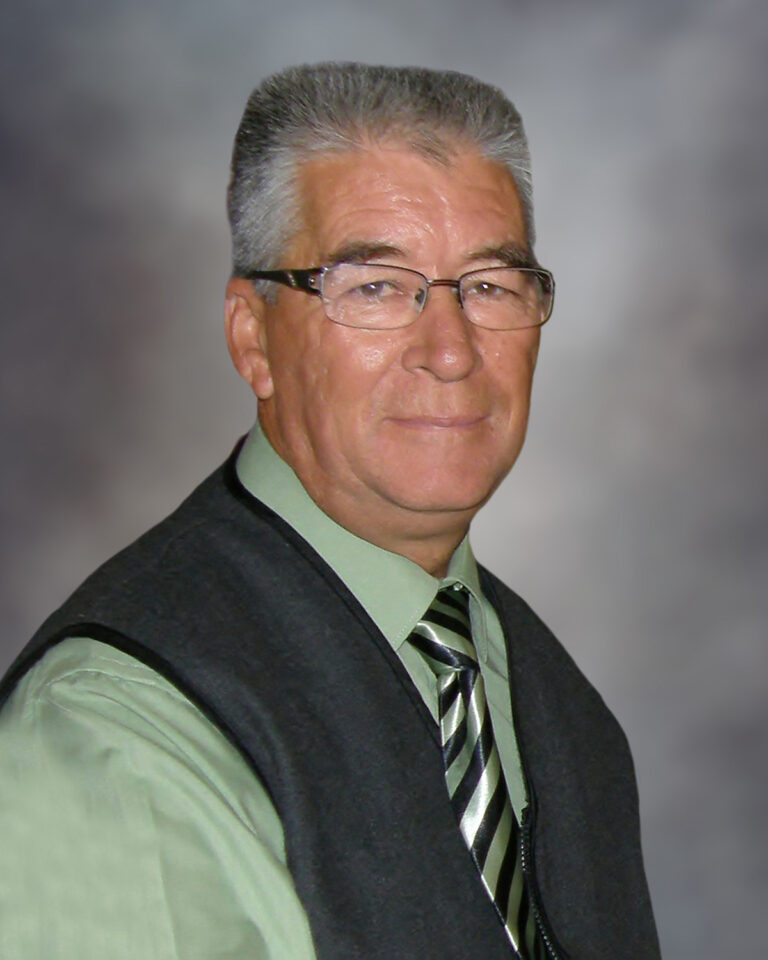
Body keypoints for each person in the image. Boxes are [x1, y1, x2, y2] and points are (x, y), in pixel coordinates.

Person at [0, 63, 661, 959]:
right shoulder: (113, 736)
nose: (451, 351)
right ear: (254, 338)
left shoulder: (564, 714)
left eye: (490, 287)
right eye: (375, 287)